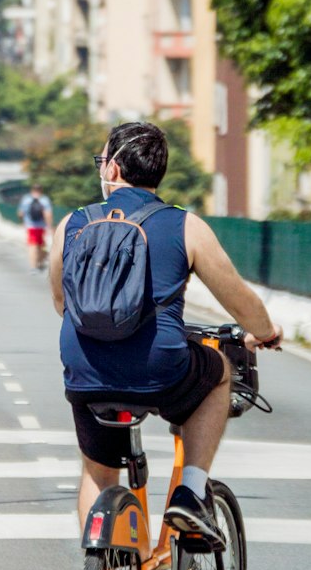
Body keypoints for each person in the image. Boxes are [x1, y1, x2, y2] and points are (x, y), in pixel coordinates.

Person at [49, 120, 283, 547]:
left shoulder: (71, 224)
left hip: (86, 368)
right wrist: (265, 332)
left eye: (102, 161)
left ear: (114, 170)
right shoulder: (186, 227)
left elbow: (62, 303)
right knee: (219, 373)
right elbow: (238, 299)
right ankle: (191, 493)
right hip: (159, 368)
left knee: (97, 473)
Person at [18, 183, 53, 271]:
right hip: (41, 227)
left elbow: (20, 213)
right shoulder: (44, 200)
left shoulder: (26, 199)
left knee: (32, 246)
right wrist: (49, 226)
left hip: (30, 227)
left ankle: (34, 266)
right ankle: (40, 262)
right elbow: (48, 214)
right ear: (41, 190)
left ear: (32, 190)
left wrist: (22, 222)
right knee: (42, 245)